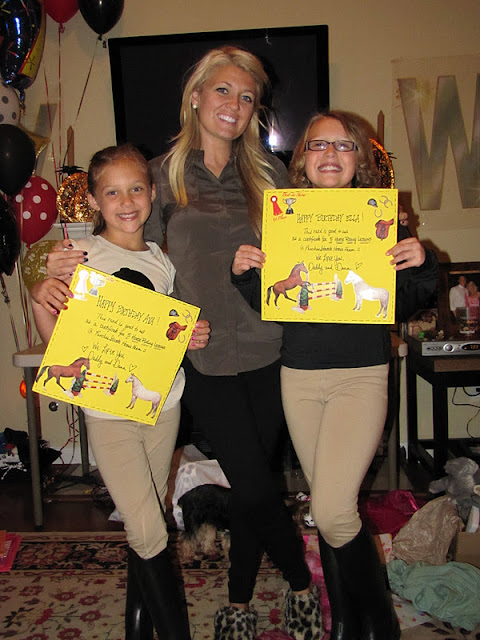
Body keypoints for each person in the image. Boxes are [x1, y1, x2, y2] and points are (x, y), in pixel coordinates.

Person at [39, 47, 320, 640]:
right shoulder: (159, 176)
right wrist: (60, 265)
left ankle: (237, 602)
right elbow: (122, 245)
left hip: (270, 348)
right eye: (223, 90)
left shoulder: (270, 175)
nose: (235, 104)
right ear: (196, 96)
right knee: (254, 484)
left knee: (251, 486)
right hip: (199, 356)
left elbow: (306, 252)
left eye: (247, 97)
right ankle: (300, 583)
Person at [231, 110, 438, 640]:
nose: (330, 154)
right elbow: (273, 304)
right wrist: (246, 274)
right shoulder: (283, 219)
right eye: (318, 144)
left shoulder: (380, 220)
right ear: (301, 157)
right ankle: (345, 620)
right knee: (332, 505)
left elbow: (406, 303)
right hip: (300, 377)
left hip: (359, 377)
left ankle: (380, 625)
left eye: (344, 145)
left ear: (360, 158)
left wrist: (420, 262)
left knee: (329, 508)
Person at [30, 144, 211, 640]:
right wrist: (40, 295)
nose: (126, 201)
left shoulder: (162, 260)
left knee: (143, 522)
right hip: (108, 411)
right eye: (112, 192)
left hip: (163, 406)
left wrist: (189, 335)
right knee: (149, 529)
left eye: (136, 189)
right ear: (93, 200)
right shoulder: (78, 256)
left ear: (151, 193)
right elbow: (57, 339)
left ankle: (138, 630)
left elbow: (162, 337)